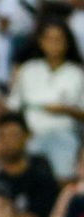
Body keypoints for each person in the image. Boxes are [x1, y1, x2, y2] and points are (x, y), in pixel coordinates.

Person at [7, 19, 84, 181]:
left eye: (59, 39)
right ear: (41, 42)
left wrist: (65, 110)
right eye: (49, 39)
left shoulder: (76, 73)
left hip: (66, 135)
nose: (54, 44)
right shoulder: (28, 70)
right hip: (32, 135)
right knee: (32, 179)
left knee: (62, 178)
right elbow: (14, 107)